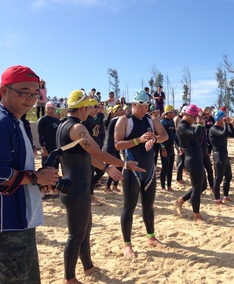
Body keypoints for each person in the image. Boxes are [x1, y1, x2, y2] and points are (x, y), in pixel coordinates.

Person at [57, 89, 143, 283]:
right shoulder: (77, 128)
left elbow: (87, 157)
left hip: (76, 186)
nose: (91, 110)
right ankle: (68, 278)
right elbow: (97, 152)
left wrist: (106, 167)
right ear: (82, 107)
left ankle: (87, 267)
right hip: (76, 188)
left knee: (85, 229)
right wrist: (125, 164)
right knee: (75, 234)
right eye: (89, 106)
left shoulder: (63, 125)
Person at [0, 65, 59, 284]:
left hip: (22, 219)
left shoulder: (19, 122)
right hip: (8, 225)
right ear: (4, 91)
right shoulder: (3, 123)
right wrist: (35, 178)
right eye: (23, 91)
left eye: (35, 93)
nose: (31, 98)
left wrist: (39, 179)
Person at [114, 91, 167, 258]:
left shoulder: (152, 120)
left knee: (149, 206)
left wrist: (155, 140)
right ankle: (127, 244)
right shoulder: (124, 121)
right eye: (140, 106)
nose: (144, 109)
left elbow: (165, 135)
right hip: (131, 170)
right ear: (133, 105)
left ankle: (151, 237)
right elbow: (117, 145)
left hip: (149, 169)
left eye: (146, 106)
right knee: (129, 207)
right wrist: (138, 140)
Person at [173, 104, 206, 222]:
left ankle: (180, 200)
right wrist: (200, 124)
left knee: (203, 186)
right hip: (191, 160)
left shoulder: (188, 125)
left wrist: (199, 124)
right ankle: (196, 215)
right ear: (187, 114)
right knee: (197, 188)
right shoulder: (182, 126)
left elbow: (198, 134)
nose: (194, 118)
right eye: (193, 116)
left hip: (197, 159)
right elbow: (197, 135)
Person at [209, 110, 234, 205]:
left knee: (228, 176)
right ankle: (217, 199)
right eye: (223, 118)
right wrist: (225, 123)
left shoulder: (222, 128)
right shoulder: (213, 129)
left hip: (224, 154)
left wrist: (230, 124)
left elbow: (233, 134)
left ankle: (225, 196)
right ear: (220, 119)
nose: (225, 119)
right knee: (218, 178)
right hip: (218, 155)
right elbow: (224, 134)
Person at [103, 104, 125, 193]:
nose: (122, 111)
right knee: (114, 167)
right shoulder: (115, 119)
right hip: (109, 147)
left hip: (114, 148)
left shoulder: (119, 120)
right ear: (115, 112)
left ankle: (114, 186)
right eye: (120, 110)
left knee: (119, 167)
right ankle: (107, 187)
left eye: (122, 110)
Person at [159, 105, 176, 191]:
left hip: (171, 148)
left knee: (170, 168)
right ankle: (162, 186)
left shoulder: (172, 122)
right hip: (164, 148)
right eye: (172, 112)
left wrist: (179, 146)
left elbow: (174, 135)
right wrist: (162, 148)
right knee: (165, 167)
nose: (174, 113)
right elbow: (160, 136)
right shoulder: (163, 122)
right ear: (168, 112)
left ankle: (169, 186)